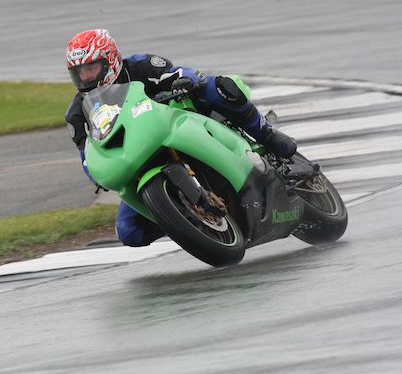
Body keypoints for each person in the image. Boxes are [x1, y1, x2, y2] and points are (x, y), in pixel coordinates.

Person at [65, 29, 297, 247]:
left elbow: (178, 73)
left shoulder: (142, 66)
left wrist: (187, 80)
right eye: (79, 72)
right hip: (136, 154)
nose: (85, 77)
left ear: (111, 60)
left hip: (176, 121)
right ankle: (187, 217)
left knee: (216, 87)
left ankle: (266, 134)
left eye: (91, 68)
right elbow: (87, 155)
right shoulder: (77, 114)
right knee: (129, 231)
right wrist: (96, 174)